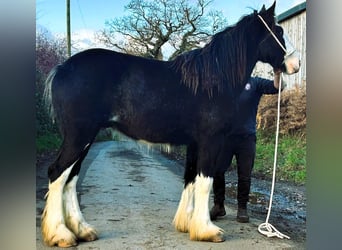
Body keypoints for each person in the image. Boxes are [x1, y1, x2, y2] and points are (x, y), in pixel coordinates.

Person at [210, 69, 285, 223]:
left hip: (246, 138)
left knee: (244, 175)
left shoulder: (255, 83)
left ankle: (242, 208)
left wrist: (277, 74)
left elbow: (278, 87)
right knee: (217, 171)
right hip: (224, 137)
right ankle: (219, 205)